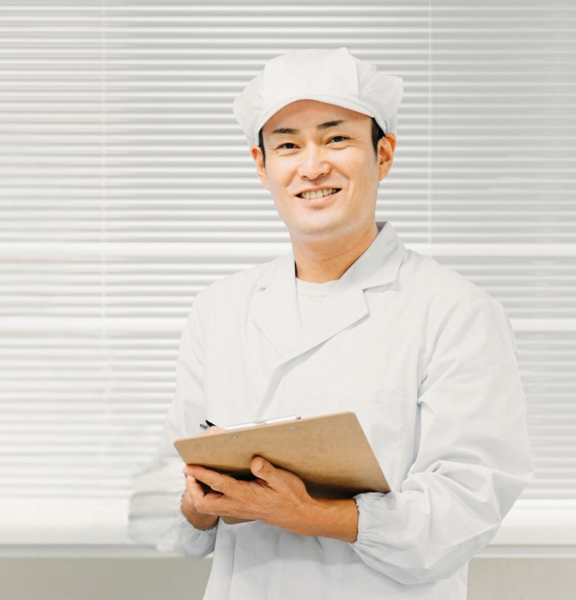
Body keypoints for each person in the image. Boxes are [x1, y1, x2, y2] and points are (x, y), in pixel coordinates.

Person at [128, 47, 533, 600]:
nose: (312, 166)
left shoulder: (455, 310)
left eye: (336, 138)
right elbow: (165, 498)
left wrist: (314, 514)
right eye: (287, 145)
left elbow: (466, 507)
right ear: (261, 166)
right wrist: (197, 505)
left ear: (383, 155)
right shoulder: (220, 308)